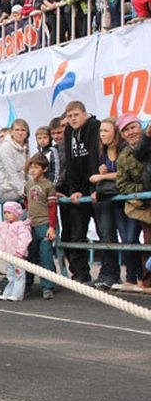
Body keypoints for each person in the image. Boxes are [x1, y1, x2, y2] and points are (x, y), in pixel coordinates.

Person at [63, 101, 101, 283]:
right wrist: (74, 190)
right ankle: (81, 274)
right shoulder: (68, 132)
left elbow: (95, 157)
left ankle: (109, 274)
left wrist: (96, 189)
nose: (72, 119)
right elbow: (70, 164)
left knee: (104, 233)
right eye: (69, 116)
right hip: (80, 190)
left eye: (76, 115)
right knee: (76, 234)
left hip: (96, 188)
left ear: (85, 114)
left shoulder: (95, 127)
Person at [89, 118, 125, 289]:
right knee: (106, 235)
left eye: (106, 131)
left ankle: (135, 277)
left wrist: (103, 176)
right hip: (106, 199)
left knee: (128, 238)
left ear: (115, 132)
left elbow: (124, 174)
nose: (102, 134)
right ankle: (108, 273)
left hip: (123, 198)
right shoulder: (102, 152)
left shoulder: (124, 149)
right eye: (101, 131)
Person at [115, 113, 146, 291]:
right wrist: (143, 190)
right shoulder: (124, 156)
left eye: (133, 127)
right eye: (126, 130)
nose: (130, 132)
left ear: (139, 126)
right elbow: (122, 184)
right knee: (129, 240)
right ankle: (136, 278)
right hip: (137, 206)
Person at [24, 153, 59, 300]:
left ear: (44, 169)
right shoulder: (28, 185)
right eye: (31, 167)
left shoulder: (48, 186)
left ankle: (48, 286)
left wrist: (52, 227)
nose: (33, 170)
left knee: (45, 256)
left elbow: (52, 208)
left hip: (44, 224)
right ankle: (27, 283)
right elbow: (26, 202)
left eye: (36, 167)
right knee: (29, 255)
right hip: (31, 225)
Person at [0, 201, 32, 301]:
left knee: (19, 274)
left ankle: (17, 294)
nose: (6, 215)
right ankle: (8, 292)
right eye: (4, 213)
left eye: (9, 213)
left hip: (17, 255)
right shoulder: (4, 225)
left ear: (16, 214)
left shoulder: (21, 226)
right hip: (8, 255)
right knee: (10, 275)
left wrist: (20, 251)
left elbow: (25, 239)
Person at [0, 118, 30, 204]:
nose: (20, 133)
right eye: (17, 130)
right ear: (11, 132)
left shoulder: (26, 147)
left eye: (23, 130)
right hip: (8, 190)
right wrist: (24, 192)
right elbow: (11, 174)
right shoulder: (6, 147)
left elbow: (28, 171)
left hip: (22, 186)